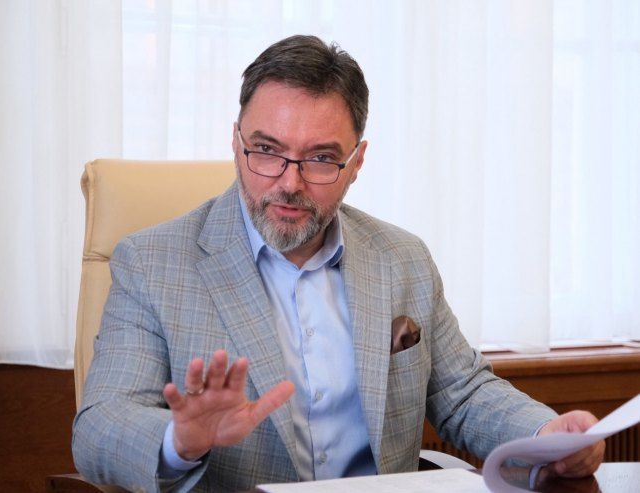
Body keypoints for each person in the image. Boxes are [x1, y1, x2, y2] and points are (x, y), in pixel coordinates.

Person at [72, 35, 604, 492]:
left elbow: (463, 394)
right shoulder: (152, 263)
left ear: (356, 162)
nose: (289, 182)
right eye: (266, 149)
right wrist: (180, 440)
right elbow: (98, 429)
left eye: (321, 158)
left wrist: (549, 436)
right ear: (236, 142)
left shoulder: (403, 258)